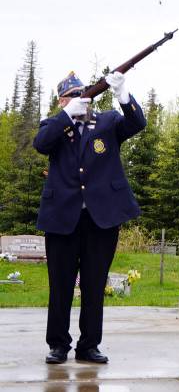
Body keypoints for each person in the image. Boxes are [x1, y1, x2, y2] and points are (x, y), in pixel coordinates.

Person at [33, 70, 146, 365]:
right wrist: (67, 116)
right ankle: (58, 344)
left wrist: (123, 95)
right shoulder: (55, 125)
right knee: (61, 286)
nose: (81, 99)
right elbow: (41, 143)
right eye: (72, 96)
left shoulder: (107, 122)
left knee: (95, 285)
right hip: (62, 219)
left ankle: (89, 345)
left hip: (101, 219)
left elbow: (137, 123)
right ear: (62, 101)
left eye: (83, 94)